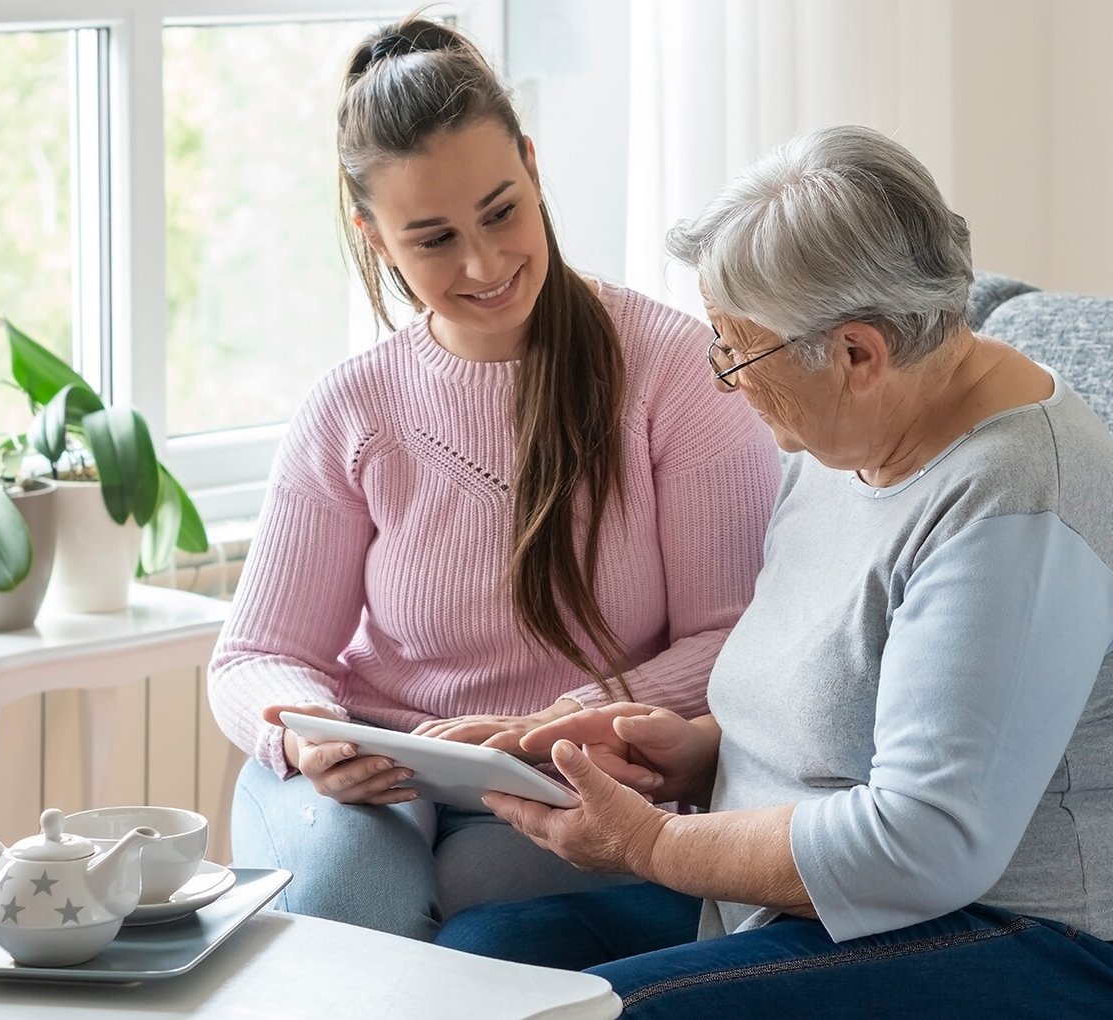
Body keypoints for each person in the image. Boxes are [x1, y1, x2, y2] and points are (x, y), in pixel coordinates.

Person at [434, 125, 1113, 1018]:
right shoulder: (850, 435)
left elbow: (922, 845)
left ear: (857, 353)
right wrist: (698, 754)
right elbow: (853, 714)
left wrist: (649, 844)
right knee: (481, 960)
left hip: (1064, 942)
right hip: (833, 909)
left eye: (738, 350)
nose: (726, 379)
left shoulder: (1018, 505)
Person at [205, 15, 780, 942]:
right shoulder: (352, 406)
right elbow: (253, 656)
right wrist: (302, 729)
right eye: (431, 239)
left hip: (566, 770)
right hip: (375, 775)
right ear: (375, 237)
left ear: (533, 166)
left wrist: (552, 722)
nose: (483, 263)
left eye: (501, 210)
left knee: (479, 891)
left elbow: (736, 637)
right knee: (357, 889)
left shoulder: (674, 371)